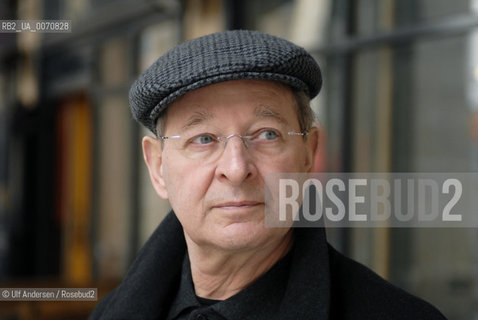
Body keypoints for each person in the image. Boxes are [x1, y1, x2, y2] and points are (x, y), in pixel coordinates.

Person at [90, 30, 445, 319]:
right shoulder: (110, 312)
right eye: (203, 139)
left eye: (267, 134)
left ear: (309, 153)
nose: (236, 168)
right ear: (157, 168)